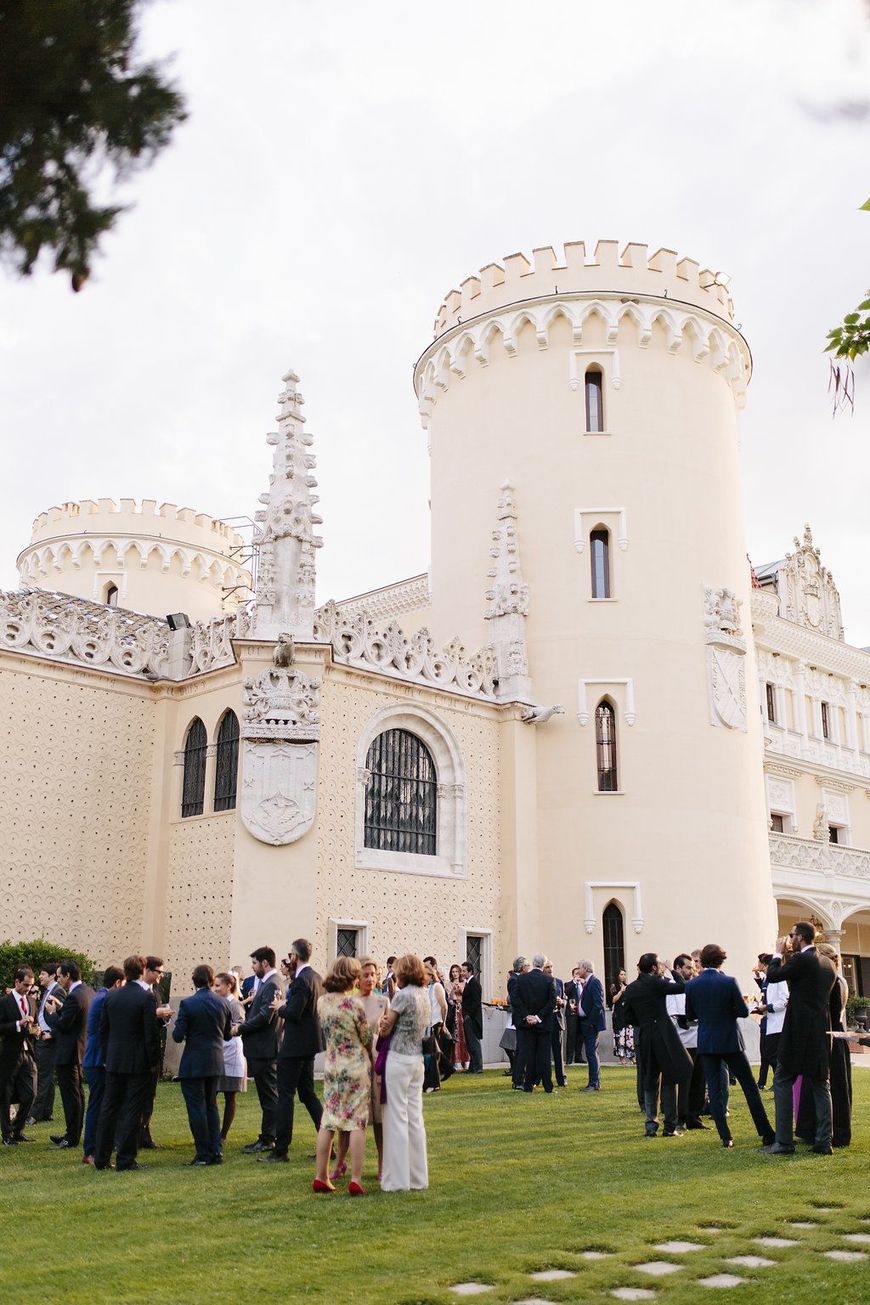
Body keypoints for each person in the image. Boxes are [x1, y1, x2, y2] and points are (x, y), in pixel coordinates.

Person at [684, 943, 775, 1149]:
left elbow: (690, 1016)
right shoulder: (728, 981)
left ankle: (726, 1137)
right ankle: (766, 1131)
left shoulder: (692, 985)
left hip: (707, 1041)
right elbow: (743, 1012)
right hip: (730, 1040)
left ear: (702, 961)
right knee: (749, 1086)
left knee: (715, 1089)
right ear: (721, 961)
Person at [761, 921, 837, 1156]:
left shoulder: (803, 959)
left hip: (797, 1032)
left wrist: (777, 952)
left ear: (801, 938)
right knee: (820, 1084)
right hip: (820, 1032)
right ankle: (824, 1141)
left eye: (791, 935)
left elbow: (772, 975)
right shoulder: (828, 964)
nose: (788, 939)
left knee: (783, 1080)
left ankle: (783, 1142)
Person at [312, 957, 373, 1194]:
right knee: (357, 1122)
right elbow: (366, 1037)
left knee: (328, 1120)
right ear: (351, 978)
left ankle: (321, 1175)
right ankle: (355, 1179)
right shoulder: (355, 1005)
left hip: (333, 1066)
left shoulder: (322, 1002)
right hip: (355, 1067)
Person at [95, 955, 161, 1171]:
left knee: (109, 1108)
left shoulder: (111, 996)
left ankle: (102, 1158)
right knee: (133, 1110)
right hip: (137, 1062)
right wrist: (153, 1062)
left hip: (114, 1060)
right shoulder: (146, 999)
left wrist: (106, 1056)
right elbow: (150, 1034)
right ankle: (125, 1159)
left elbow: (103, 1030)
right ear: (143, 970)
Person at [263, 938, 324, 1163]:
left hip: (295, 1046)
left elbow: (295, 1013)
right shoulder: (317, 977)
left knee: (285, 1096)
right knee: (308, 1094)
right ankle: (328, 1142)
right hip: (310, 1044)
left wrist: (280, 1008)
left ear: (296, 957)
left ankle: (281, 1150)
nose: (289, 959)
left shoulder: (301, 981)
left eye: (290, 955)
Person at [329, 957, 388, 1182]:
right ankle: (340, 1162)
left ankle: (383, 1165)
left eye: (373, 974)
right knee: (348, 1119)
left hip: (376, 1064)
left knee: (379, 1119)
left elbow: (387, 1033)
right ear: (356, 978)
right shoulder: (350, 1003)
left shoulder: (383, 1002)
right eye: (365, 975)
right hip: (354, 1063)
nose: (370, 979)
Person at [620, 953, 692, 1137]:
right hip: (664, 1034)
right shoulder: (658, 982)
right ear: (653, 967)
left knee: (650, 1079)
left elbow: (627, 1016)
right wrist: (672, 970)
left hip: (645, 1035)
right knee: (672, 1076)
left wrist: (643, 1022)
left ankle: (651, 1125)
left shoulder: (632, 988)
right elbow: (683, 987)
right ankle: (670, 1126)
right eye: (659, 964)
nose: (661, 967)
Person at [378, 952, 431, 1191]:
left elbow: (387, 1027)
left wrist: (381, 1024)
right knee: (415, 1118)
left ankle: (397, 1180)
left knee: (396, 1117)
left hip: (398, 1058)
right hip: (416, 1058)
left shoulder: (401, 996)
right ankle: (418, 1177)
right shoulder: (424, 995)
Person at [172, 964, 233, 1166]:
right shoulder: (222, 1003)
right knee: (211, 1105)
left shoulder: (188, 1004)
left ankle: (203, 1152)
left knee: (196, 1107)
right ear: (210, 980)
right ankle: (216, 1150)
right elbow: (226, 1035)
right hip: (215, 1060)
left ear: (193, 980)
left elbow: (178, 1035)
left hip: (194, 1062)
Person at [795, 943, 852, 1149]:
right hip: (836, 1037)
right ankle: (824, 1129)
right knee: (833, 1085)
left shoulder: (833, 981)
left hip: (828, 1036)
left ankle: (825, 1132)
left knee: (826, 1085)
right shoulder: (838, 980)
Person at [237, 946, 280, 1153]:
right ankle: (266, 1135)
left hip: (265, 1047)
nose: (252, 967)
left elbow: (265, 1016)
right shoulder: (267, 983)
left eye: (254, 963)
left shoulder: (272, 983)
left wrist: (241, 1027)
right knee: (266, 1094)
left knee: (269, 1094)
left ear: (264, 963)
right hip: (260, 1047)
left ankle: (269, 1138)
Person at [44, 959, 90, 1149]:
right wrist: (62, 1008)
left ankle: (71, 1138)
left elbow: (63, 1024)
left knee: (71, 1097)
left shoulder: (74, 995)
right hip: (79, 1051)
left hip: (69, 1052)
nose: (58, 979)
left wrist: (53, 1012)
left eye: (60, 976)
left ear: (68, 976)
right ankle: (72, 1133)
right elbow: (75, 1016)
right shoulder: (86, 992)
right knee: (77, 1094)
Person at [81, 964, 125, 1163]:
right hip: (98, 1060)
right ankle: (90, 1150)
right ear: (118, 982)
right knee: (98, 1105)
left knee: (102, 1104)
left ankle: (101, 1145)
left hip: (97, 1058)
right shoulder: (105, 998)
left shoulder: (101, 996)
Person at [666, 953, 706, 1129]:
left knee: (699, 1081)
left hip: (699, 1039)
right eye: (688, 967)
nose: (692, 970)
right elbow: (675, 1016)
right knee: (685, 1082)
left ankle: (694, 1117)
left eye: (692, 967)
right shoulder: (672, 987)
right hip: (683, 1041)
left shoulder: (694, 985)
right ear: (678, 969)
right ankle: (680, 1118)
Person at [1, 965, 37, 1145]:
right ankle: (7, 1134)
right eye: (25, 984)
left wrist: (34, 1030)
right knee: (5, 1094)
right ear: (16, 982)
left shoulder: (31, 1001)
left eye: (30, 985)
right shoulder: (4, 1002)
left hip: (28, 1051)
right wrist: (17, 1023)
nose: (28, 988)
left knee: (31, 1093)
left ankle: (18, 1129)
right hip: (9, 1053)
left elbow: (33, 1025)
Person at [139, 955, 172, 1150]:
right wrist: (154, 1014)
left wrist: (162, 1018)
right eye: (158, 971)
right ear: (147, 971)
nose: (161, 976)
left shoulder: (156, 994)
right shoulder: (135, 992)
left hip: (152, 1051)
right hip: (137, 1051)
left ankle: (145, 1134)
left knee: (150, 1096)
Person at [512, 954, 557, 1093]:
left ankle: (528, 1085)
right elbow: (552, 1002)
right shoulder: (549, 980)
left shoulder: (522, 979)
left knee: (529, 1054)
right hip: (543, 1023)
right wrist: (538, 1017)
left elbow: (515, 999)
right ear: (543, 965)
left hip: (527, 1023)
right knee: (544, 1055)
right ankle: (547, 1085)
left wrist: (527, 1015)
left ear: (533, 963)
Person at [214, 971, 247, 1144]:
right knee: (213, 1092)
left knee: (229, 1095)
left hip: (231, 1051)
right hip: (219, 1050)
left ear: (228, 986)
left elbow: (241, 1024)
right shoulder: (218, 1002)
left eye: (218, 985)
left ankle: (223, 1134)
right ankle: (213, 1130)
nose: (215, 989)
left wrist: (227, 1029)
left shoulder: (234, 1004)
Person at [30, 964, 62, 1124]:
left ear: (52, 976)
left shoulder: (58, 992)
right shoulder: (48, 991)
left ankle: (34, 1114)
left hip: (49, 1040)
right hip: (42, 1038)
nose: (40, 976)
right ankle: (46, 1112)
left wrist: (51, 1034)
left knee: (43, 1076)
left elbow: (64, 1018)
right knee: (47, 1078)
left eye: (43, 974)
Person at [577, 960, 605, 1091]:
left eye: (580, 968)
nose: (578, 970)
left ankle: (594, 1083)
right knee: (590, 1053)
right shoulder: (588, 983)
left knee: (591, 1053)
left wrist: (590, 1023)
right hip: (586, 1022)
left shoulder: (594, 982)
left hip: (590, 1024)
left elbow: (598, 1004)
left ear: (586, 969)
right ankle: (593, 1082)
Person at [424, 962, 448, 1093]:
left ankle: (435, 1083)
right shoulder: (427, 988)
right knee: (432, 1054)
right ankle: (447, 1069)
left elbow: (444, 1006)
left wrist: (443, 1023)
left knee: (433, 1055)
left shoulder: (436, 987)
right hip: (428, 1023)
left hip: (436, 1023)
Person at [542, 961, 567, 1088]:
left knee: (558, 1051)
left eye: (551, 966)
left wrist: (561, 1001)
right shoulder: (541, 982)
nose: (550, 969)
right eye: (547, 967)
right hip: (545, 1020)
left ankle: (561, 1078)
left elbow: (565, 999)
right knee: (544, 1051)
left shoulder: (559, 982)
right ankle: (543, 1078)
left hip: (557, 1019)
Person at [460, 959, 483, 1073]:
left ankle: (478, 1066)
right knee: (470, 1043)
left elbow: (476, 1002)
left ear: (470, 972)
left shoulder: (474, 984)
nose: (462, 973)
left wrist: (469, 1015)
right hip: (468, 1016)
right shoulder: (469, 984)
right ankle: (472, 1067)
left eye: (464, 971)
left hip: (472, 1018)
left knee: (474, 1042)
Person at [609, 969, 634, 1065]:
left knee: (629, 1035)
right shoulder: (613, 986)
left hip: (626, 1013)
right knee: (620, 1036)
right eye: (621, 974)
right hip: (618, 1014)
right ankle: (621, 1057)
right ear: (617, 976)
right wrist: (620, 992)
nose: (623, 976)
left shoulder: (627, 986)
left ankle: (631, 1056)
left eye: (624, 974)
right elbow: (613, 1000)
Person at [448, 964, 469, 1071]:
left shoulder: (464, 983)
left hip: (462, 1010)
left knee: (464, 1035)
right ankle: (456, 1061)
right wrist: (453, 990)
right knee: (455, 1035)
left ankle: (465, 1060)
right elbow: (449, 999)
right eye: (453, 972)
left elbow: (466, 996)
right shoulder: (449, 984)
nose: (455, 974)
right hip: (454, 1010)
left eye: (456, 971)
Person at [565, 965, 584, 1066]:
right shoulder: (568, 984)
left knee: (580, 1036)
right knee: (571, 1035)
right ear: (573, 975)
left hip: (581, 1013)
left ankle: (578, 1056)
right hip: (572, 1013)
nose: (578, 976)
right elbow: (567, 992)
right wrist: (574, 982)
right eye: (576, 974)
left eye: (579, 974)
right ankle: (569, 1057)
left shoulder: (583, 984)